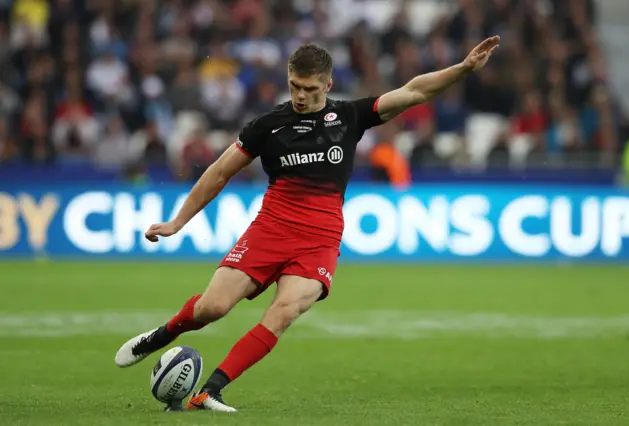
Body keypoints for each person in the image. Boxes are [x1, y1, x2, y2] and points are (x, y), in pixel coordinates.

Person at [114, 37, 500, 412]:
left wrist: (463, 69)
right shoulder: (268, 125)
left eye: (310, 89)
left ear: (328, 85)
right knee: (212, 307)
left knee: (283, 312)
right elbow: (218, 172)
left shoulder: (349, 116)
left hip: (320, 240)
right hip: (270, 229)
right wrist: (177, 221)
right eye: (295, 86)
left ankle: (210, 391)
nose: (300, 95)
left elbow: (414, 91)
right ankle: (162, 335)